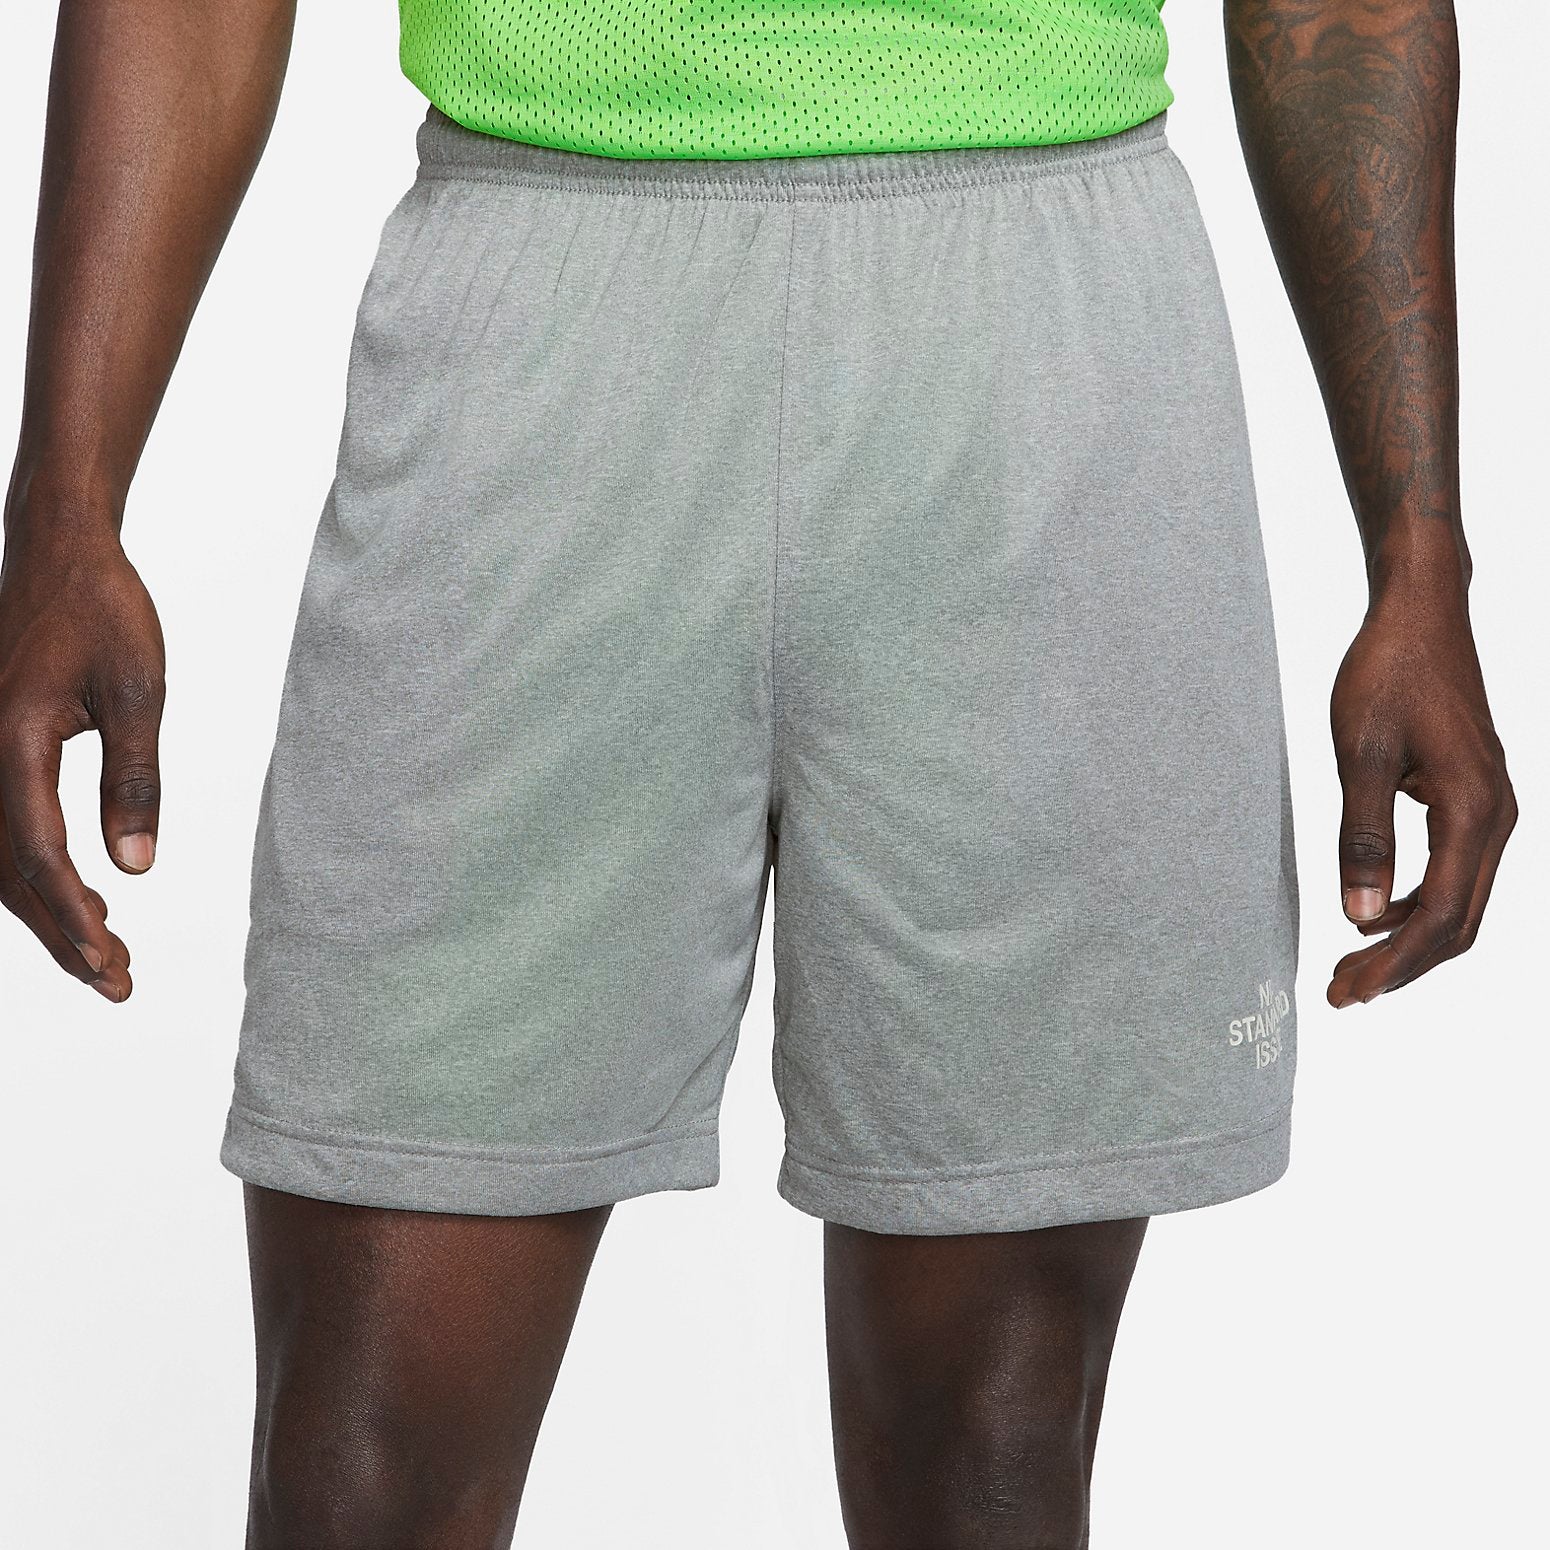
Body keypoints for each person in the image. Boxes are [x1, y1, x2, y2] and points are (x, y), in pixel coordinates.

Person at [0, 1, 1515, 1545]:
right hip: (534, 314)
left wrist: (1417, 554)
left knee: (991, 1450)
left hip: (1041, 339)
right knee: (360, 1464)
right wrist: (64, 499)